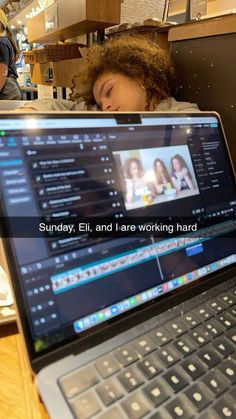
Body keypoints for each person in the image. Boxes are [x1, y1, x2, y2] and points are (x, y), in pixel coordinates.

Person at [18, 34, 198, 112]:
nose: (105, 106)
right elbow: (66, 107)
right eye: (100, 102)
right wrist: (30, 110)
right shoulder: (105, 112)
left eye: (109, 91)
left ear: (138, 75)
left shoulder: (182, 113)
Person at [0, 9, 21, 100]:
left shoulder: (1, 43)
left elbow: (2, 73)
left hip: (6, 90)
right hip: (9, 88)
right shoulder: (4, 41)